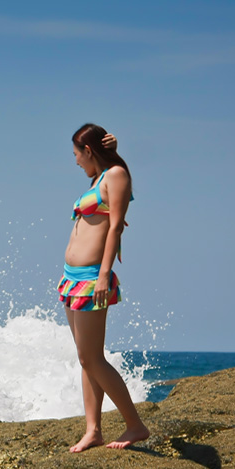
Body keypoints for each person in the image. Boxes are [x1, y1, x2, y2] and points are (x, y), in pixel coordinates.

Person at [59, 123, 149, 452]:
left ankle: (135, 425)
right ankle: (92, 430)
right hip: (72, 276)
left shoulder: (115, 175)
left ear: (89, 151)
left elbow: (114, 229)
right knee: (86, 359)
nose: (76, 162)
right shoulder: (98, 179)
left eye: (77, 155)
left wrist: (103, 274)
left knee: (93, 358)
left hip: (92, 276)